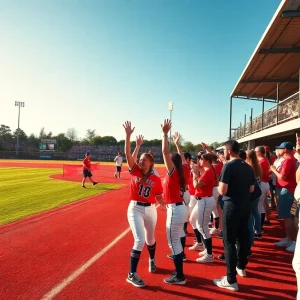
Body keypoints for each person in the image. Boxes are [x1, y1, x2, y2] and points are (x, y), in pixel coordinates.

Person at [123, 121, 165, 288]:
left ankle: (152, 259)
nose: (141, 162)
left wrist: (163, 204)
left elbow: (158, 196)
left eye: (144, 160)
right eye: (140, 159)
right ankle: (131, 273)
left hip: (150, 210)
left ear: (151, 163)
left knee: (150, 238)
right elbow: (128, 155)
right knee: (139, 240)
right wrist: (130, 138)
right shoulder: (135, 171)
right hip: (135, 209)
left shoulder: (155, 179)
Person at [213, 140, 255, 292]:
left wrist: (218, 186)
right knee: (243, 238)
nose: (223, 152)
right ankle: (241, 267)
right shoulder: (248, 167)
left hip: (231, 206)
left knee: (229, 241)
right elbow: (251, 189)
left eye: (224, 150)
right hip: (245, 205)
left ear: (229, 151)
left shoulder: (228, 166)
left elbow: (223, 190)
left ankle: (231, 279)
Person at [161, 119, 188, 285]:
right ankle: (179, 268)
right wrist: (177, 144)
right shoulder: (183, 169)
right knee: (179, 236)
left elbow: (165, 152)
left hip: (175, 209)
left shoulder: (173, 172)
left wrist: (165, 134)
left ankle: (180, 276)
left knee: (173, 242)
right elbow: (183, 159)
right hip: (181, 207)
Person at [271, 142, 297, 252]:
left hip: (287, 190)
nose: (278, 150)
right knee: (290, 217)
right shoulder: (291, 160)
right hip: (289, 190)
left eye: (280, 148)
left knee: (288, 217)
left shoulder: (288, 160)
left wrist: (273, 169)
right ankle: (289, 238)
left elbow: (283, 176)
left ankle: (293, 240)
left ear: (285, 149)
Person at [192, 152, 217, 263]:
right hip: (203, 200)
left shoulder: (208, 172)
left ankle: (209, 255)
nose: (200, 161)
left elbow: (196, 185)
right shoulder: (208, 171)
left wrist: (194, 175)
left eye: (201, 159)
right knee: (193, 220)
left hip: (205, 200)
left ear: (206, 160)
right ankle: (206, 249)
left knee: (202, 226)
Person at [255, 146, 270, 229]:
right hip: (264, 184)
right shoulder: (264, 160)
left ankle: (259, 227)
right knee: (260, 205)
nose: (254, 152)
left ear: (259, 152)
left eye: (256, 151)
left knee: (259, 206)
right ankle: (260, 227)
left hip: (262, 184)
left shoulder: (261, 161)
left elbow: (259, 174)